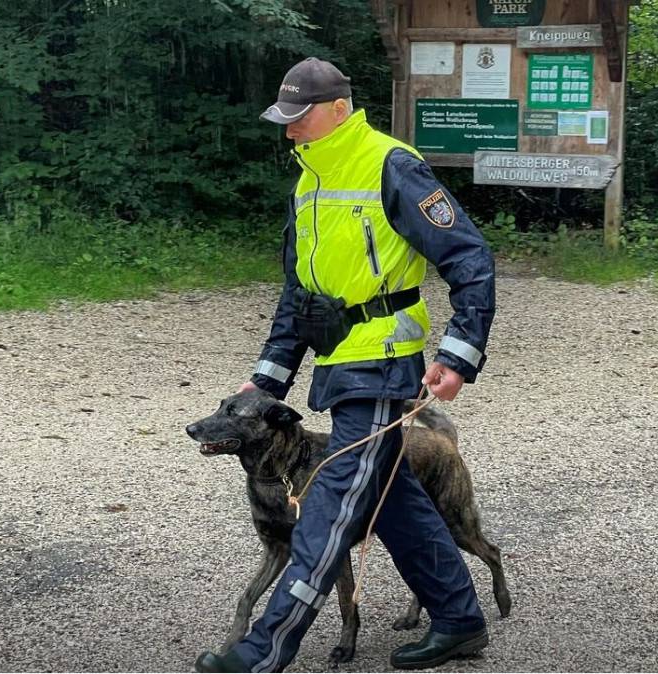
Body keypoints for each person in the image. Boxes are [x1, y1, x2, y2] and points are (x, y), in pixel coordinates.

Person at [195, 57, 496, 673]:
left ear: (338, 110)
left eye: (298, 118)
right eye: (284, 119)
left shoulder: (392, 165)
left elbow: (469, 257)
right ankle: (461, 621)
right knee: (394, 501)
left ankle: (264, 649)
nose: (289, 131)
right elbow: (296, 293)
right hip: (339, 365)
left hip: (383, 363)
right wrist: (267, 379)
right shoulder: (308, 181)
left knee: (328, 503)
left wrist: (460, 352)